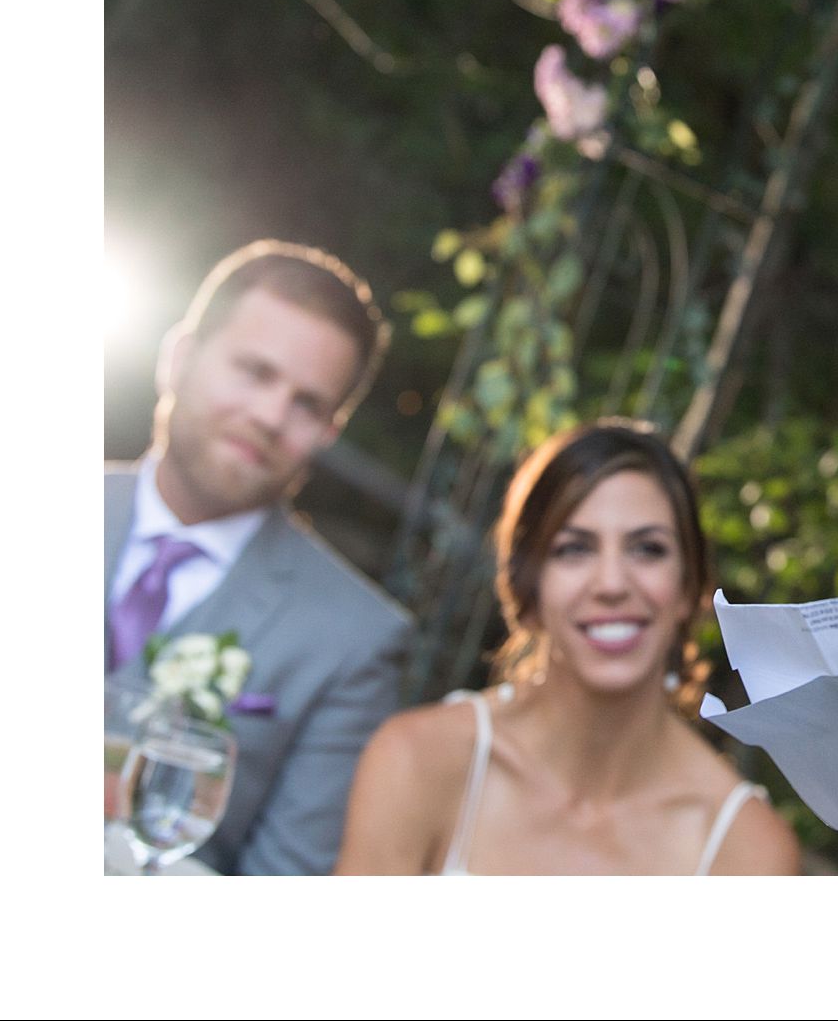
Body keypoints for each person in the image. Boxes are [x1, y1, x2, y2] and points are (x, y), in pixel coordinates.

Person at [335, 421, 801, 875]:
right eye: (574, 549)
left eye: (647, 549)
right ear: (528, 588)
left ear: (689, 587)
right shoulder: (416, 762)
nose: (612, 584)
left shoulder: (747, 850)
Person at [106, 240, 413, 875]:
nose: (272, 416)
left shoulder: (354, 641)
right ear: (179, 358)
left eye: (309, 404)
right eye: (254, 372)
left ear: (330, 431)